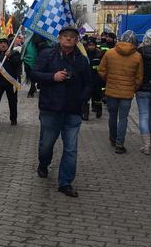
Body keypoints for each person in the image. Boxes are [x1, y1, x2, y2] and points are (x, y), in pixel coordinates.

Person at [30, 25, 91, 198]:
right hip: (51, 108)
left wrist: (81, 99)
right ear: (59, 38)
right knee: (46, 145)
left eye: (72, 36)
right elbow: (34, 74)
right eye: (65, 36)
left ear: (76, 40)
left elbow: (89, 83)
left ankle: (65, 182)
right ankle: (44, 163)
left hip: (72, 110)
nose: (69, 39)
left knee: (71, 149)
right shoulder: (47, 54)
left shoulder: (82, 59)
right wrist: (52, 77)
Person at [97, 30, 143, 154]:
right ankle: (120, 143)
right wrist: (133, 87)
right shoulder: (137, 56)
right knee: (123, 118)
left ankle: (112, 138)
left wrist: (108, 79)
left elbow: (101, 70)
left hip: (111, 91)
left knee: (112, 116)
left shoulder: (110, 53)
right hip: (127, 93)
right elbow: (139, 77)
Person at [0, 36, 22, 128]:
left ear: (8, 45)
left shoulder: (15, 53)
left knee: (13, 101)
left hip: (11, 82)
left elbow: (18, 63)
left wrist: (10, 56)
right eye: (1, 43)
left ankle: (13, 119)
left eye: (5, 43)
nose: (3, 45)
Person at [83, 37, 103, 120]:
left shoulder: (99, 54)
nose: (91, 47)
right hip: (87, 80)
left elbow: (102, 67)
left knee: (97, 97)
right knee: (86, 98)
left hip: (97, 79)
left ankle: (98, 110)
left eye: (92, 45)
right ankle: (85, 114)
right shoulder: (84, 55)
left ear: (95, 46)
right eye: (89, 45)